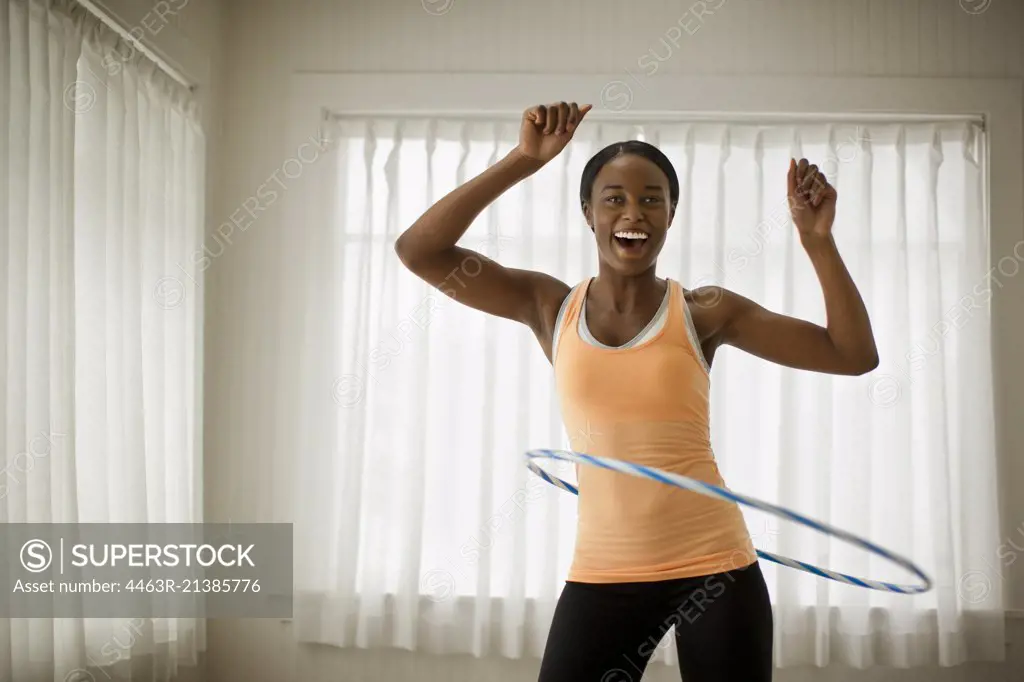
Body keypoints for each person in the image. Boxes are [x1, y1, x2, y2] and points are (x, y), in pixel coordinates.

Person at [394, 101, 879, 682]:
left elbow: (852, 356)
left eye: (652, 199)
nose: (634, 213)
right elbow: (419, 252)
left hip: (714, 568)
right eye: (615, 199)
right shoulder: (550, 308)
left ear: (672, 215)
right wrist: (524, 159)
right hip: (604, 574)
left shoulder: (704, 311)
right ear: (588, 213)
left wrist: (817, 241)